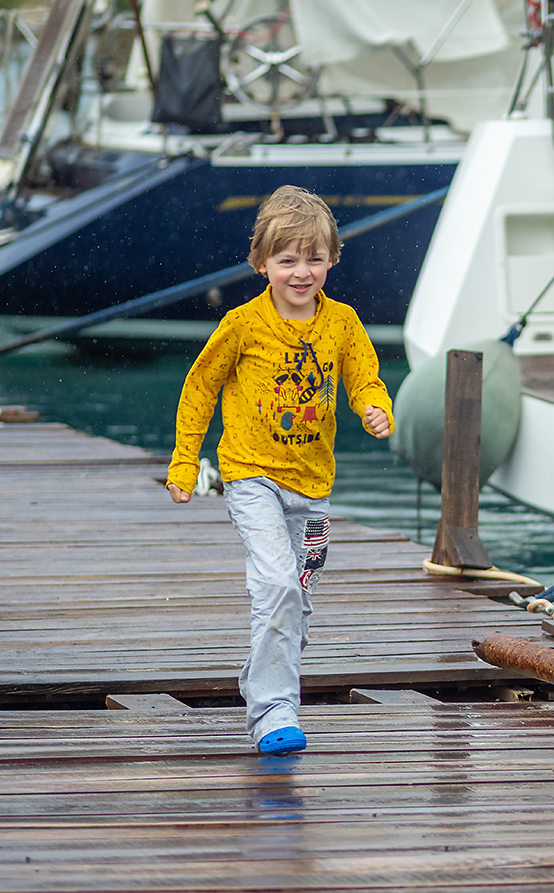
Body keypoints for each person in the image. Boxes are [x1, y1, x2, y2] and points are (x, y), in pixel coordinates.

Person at [166, 185, 394, 756]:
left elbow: (364, 378)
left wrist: (376, 407)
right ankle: (274, 713)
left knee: (297, 600)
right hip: (250, 476)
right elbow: (201, 387)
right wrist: (185, 461)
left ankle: (259, 682)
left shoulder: (342, 323)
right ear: (261, 263)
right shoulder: (243, 324)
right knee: (275, 584)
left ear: (332, 259)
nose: (301, 272)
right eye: (287, 260)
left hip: (312, 488)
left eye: (314, 258)